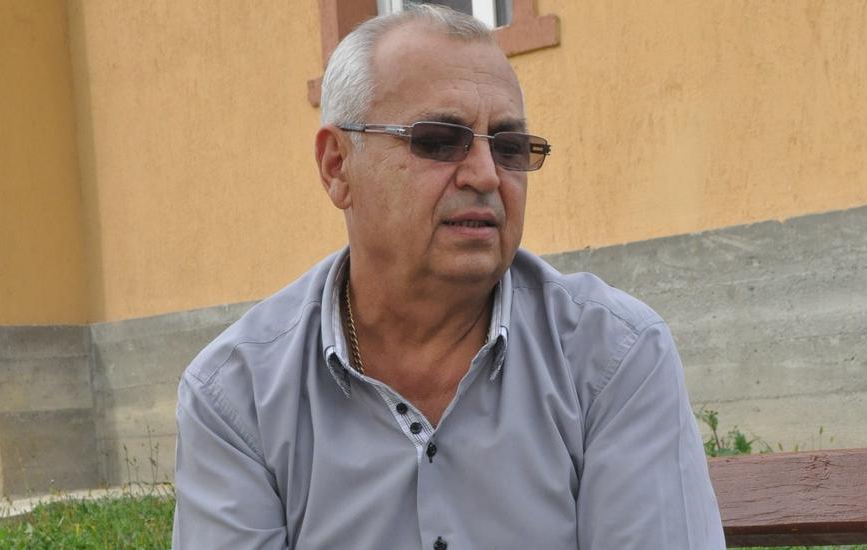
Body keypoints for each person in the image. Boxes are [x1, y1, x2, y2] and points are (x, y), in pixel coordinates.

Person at [172, 5, 725, 549]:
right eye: (438, 141)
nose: (485, 175)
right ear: (337, 166)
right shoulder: (236, 395)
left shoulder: (612, 357)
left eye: (509, 148)